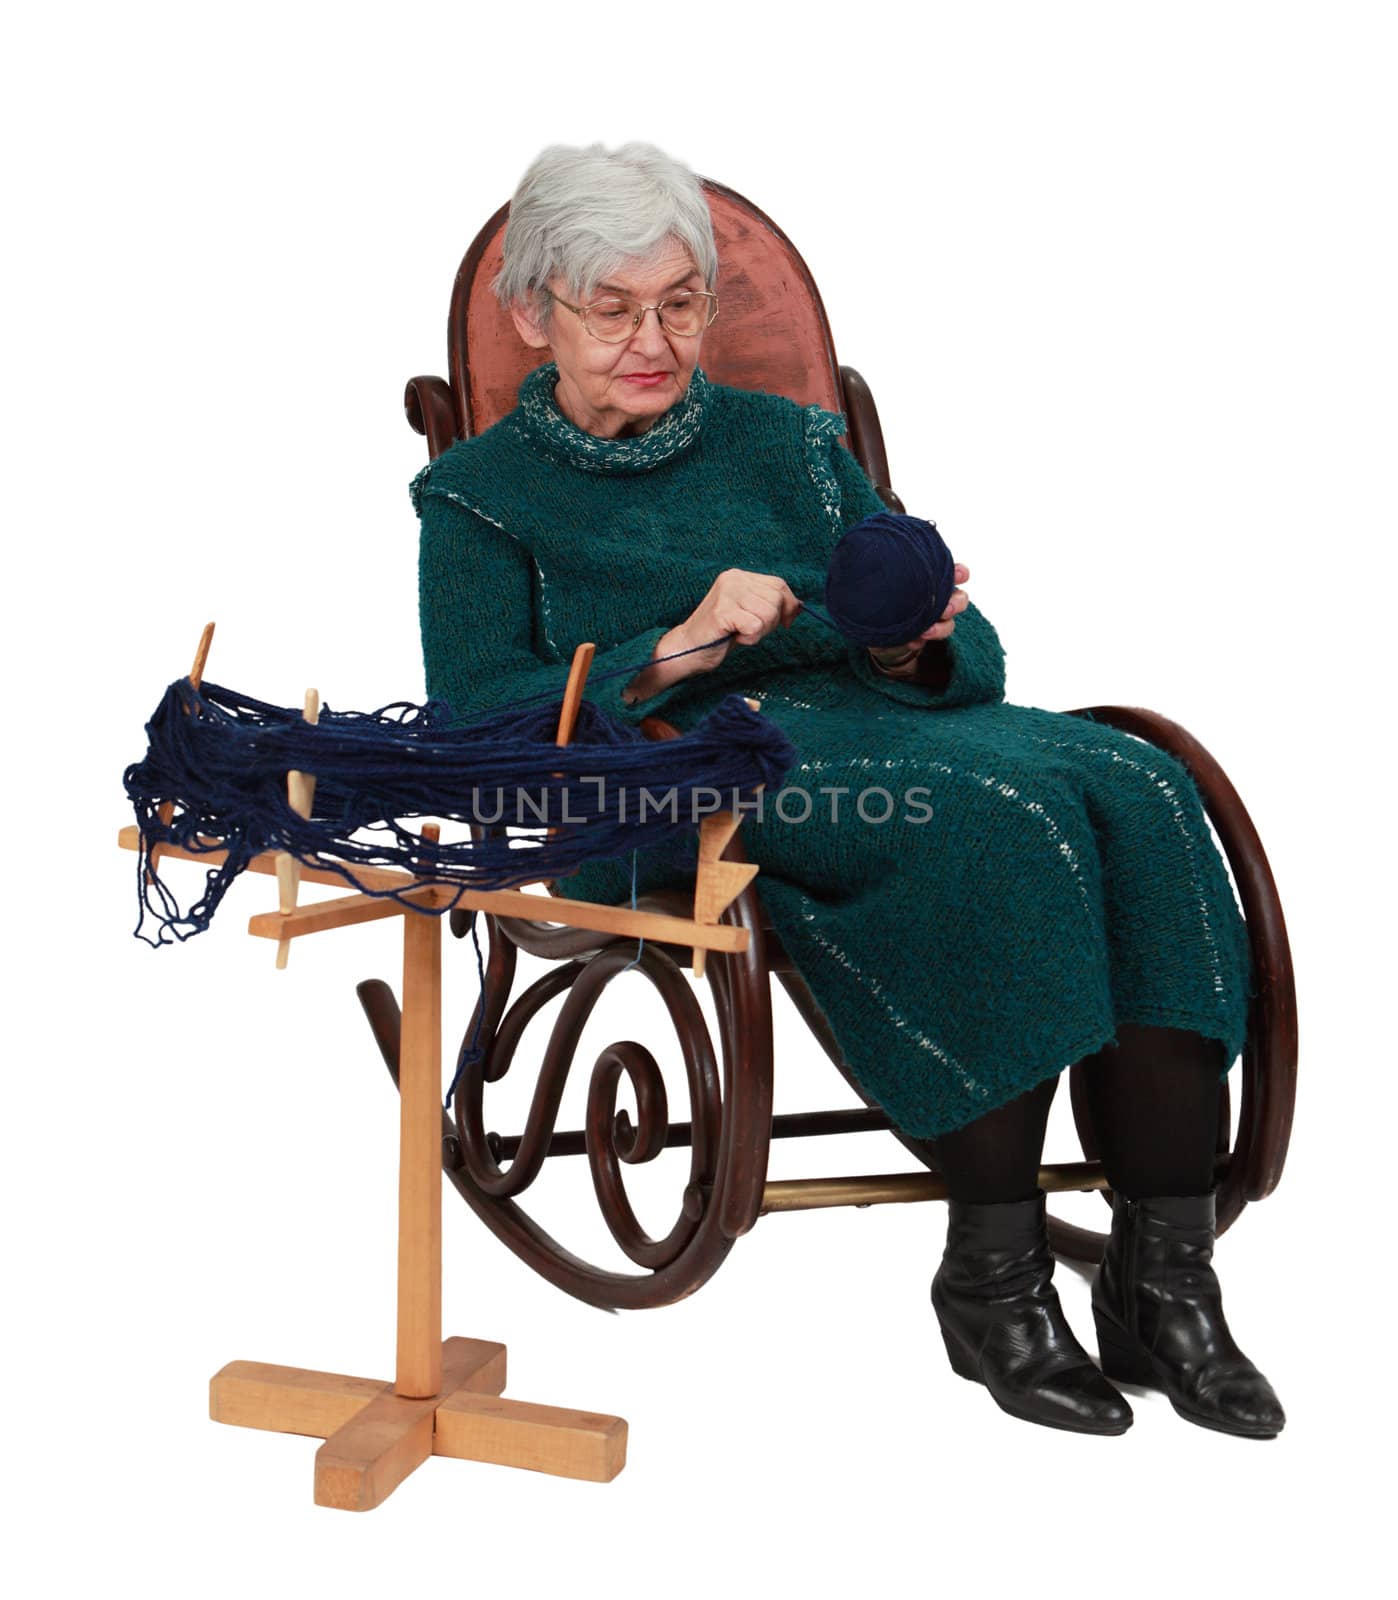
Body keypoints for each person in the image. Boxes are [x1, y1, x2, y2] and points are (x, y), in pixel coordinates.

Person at [412, 140, 1285, 1439]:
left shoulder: (793, 444)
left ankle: (1168, 1283)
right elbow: (475, 727)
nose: (653, 338)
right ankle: (991, 1280)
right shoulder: (480, 500)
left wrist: (907, 635)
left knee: (1139, 784)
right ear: (535, 314)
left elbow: (974, 664)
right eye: (612, 309)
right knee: (993, 821)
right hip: (669, 777)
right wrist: (678, 650)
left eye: (680, 303)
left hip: (883, 724)